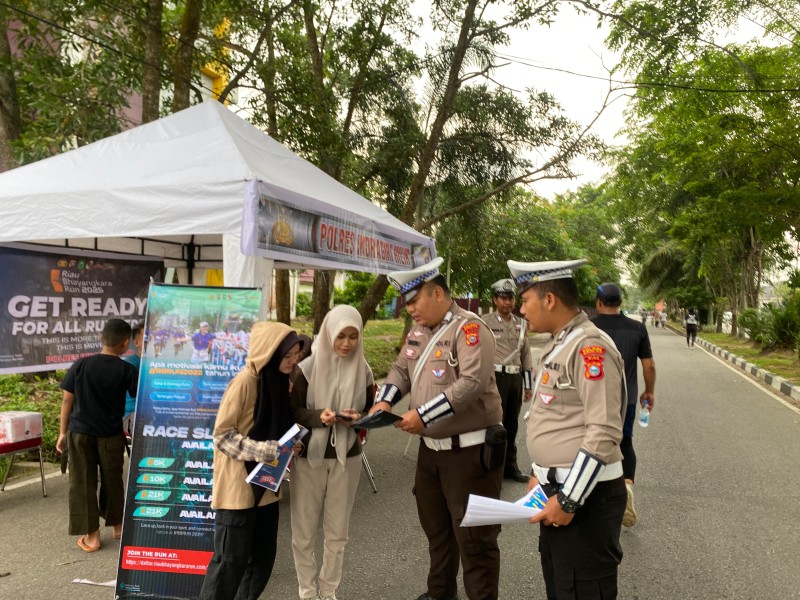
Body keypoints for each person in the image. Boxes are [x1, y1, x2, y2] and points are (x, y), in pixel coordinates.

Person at [370, 256, 505, 600]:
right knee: (438, 531)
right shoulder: (418, 332)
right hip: (431, 453)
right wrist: (385, 400)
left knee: (475, 541)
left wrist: (424, 415)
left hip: (469, 453)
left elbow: (472, 382)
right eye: (407, 303)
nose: (410, 309)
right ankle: (440, 593)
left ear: (440, 293)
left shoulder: (470, 328)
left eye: (415, 301)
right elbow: (400, 369)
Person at [507, 259, 626, 600]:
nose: (520, 308)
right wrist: (538, 472)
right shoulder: (562, 341)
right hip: (557, 492)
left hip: (585, 500)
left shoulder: (591, 347)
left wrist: (570, 500)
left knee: (583, 589)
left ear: (549, 300)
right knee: (562, 588)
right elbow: (558, 419)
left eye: (525, 299)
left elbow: (603, 430)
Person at [199, 323, 304, 600]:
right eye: (287, 355)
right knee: (229, 564)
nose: (293, 360)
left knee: (262, 561)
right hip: (238, 490)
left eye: (296, 354)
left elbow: (281, 427)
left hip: (267, 488)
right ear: (269, 352)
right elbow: (222, 436)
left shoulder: (279, 382)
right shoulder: (245, 382)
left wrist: (292, 444)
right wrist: (265, 450)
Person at [290, 305, 375, 600]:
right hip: (308, 457)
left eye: (353, 336)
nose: (347, 344)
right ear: (328, 334)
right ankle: (307, 591)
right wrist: (318, 418)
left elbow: (371, 412)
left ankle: (328, 591)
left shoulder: (364, 370)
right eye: (341, 336)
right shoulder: (306, 368)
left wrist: (358, 418)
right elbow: (294, 411)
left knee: (338, 532)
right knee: (303, 531)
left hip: (347, 457)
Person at [57, 318, 138, 552]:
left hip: (80, 433)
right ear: (125, 344)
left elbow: (67, 400)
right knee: (113, 478)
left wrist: (63, 433)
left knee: (82, 481)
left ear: (101, 339)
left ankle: (92, 537)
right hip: (111, 435)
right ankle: (118, 527)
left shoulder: (81, 365)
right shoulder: (127, 369)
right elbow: (139, 398)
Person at [591, 283, 656, 528]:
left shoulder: (588, 328)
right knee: (624, 442)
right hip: (625, 401)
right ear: (619, 303)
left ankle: (589, 492)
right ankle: (626, 488)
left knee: (591, 442)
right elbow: (648, 365)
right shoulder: (636, 328)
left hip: (592, 400)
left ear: (598, 302)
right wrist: (649, 391)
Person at [485, 278, 533, 483]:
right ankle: (490, 466)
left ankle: (510, 467)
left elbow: (526, 355)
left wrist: (528, 384)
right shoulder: (484, 321)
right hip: (494, 378)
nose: (507, 302)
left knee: (511, 423)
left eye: (511, 298)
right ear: (495, 299)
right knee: (494, 422)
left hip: (514, 378)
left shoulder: (521, 324)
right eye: (503, 298)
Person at [123, 323, 144, 435]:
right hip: (133, 414)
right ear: (136, 343)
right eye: (147, 338)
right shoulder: (129, 364)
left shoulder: (162, 364)